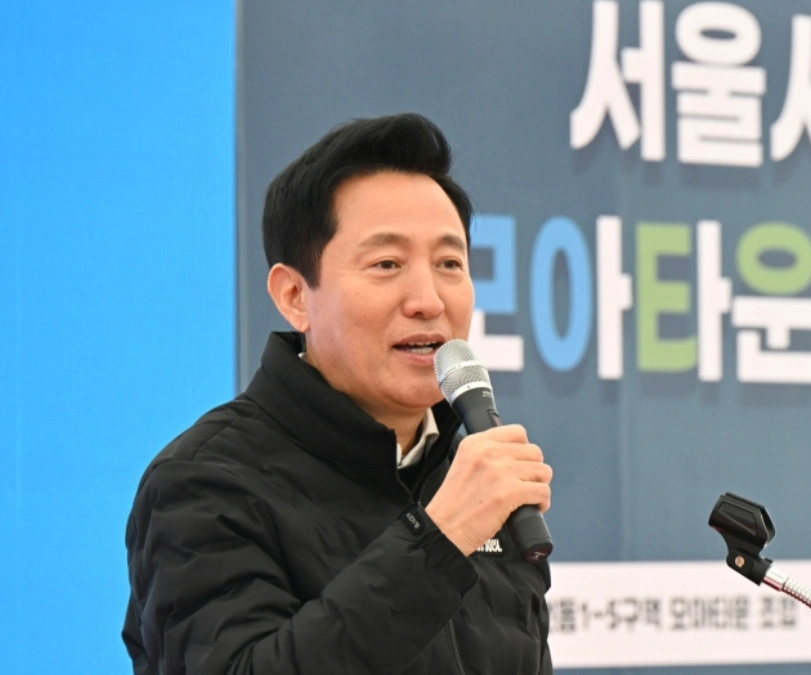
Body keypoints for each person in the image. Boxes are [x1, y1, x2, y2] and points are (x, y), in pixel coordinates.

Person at [122, 113, 554, 674]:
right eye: (386, 263)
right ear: (294, 295)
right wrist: (439, 539)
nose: (428, 300)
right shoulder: (204, 482)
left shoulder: (476, 476)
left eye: (450, 263)